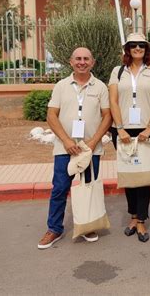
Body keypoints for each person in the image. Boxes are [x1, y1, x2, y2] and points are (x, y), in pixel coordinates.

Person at [38, 47, 112, 249]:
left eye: (86, 59)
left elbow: (107, 116)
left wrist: (93, 141)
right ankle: (54, 229)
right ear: (71, 62)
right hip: (65, 148)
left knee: (88, 188)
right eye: (78, 59)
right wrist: (67, 141)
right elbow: (51, 115)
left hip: (90, 150)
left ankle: (88, 226)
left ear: (93, 62)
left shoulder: (100, 87)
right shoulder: (61, 86)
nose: (82, 62)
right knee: (60, 188)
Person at [108, 33, 150, 243]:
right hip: (122, 131)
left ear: (147, 49)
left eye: (142, 45)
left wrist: (149, 128)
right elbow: (113, 100)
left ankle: (141, 219)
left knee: (142, 175)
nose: (138, 48)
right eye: (133, 45)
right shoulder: (117, 71)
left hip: (148, 131)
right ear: (128, 48)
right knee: (128, 175)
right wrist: (120, 128)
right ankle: (133, 215)